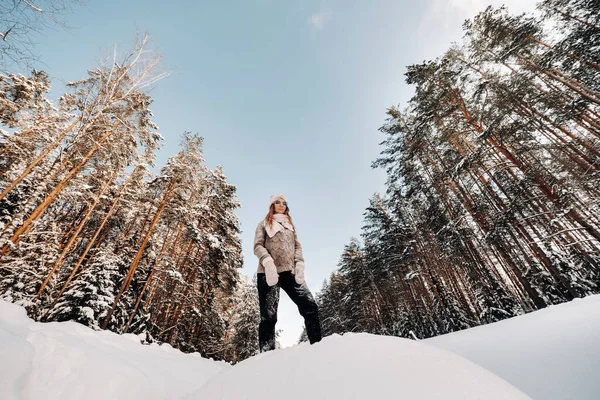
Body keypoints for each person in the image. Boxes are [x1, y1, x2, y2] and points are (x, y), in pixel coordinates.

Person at [253, 194, 322, 352]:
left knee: (310, 306)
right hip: (268, 273)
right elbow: (257, 246)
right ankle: (267, 355)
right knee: (269, 316)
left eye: (284, 202)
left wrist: (300, 264)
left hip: (289, 273)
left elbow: (298, 246)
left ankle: (317, 347)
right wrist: (268, 262)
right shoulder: (263, 224)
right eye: (278, 202)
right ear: (272, 205)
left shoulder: (291, 226)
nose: (281, 204)